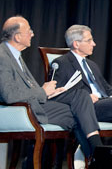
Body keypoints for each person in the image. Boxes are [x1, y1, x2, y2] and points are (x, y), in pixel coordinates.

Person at [0, 16, 102, 163]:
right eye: (29, 31)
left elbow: (25, 88)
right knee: (78, 113)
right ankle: (97, 157)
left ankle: (95, 157)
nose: (33, 34)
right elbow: (9, 94)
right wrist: (43, 92)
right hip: (21, 109)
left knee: (79, 101)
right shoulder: (2, 56)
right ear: (17, 37)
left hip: (32, 104)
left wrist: (49, 91)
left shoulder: (15, 55)